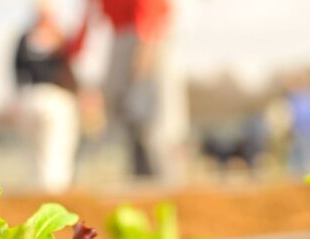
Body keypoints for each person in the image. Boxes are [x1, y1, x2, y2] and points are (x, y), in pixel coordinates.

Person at [99, 0, 189, 181]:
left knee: (156, 128)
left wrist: (141, 69)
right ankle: (138, 182)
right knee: (127, 125)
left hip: (148, 42)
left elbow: (150, 21)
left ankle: (167, 184)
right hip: (123, 37)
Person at [15, 0, 88, 193]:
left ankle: (41, 193)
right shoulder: (58, 37)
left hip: (31, 99)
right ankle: (55, 196)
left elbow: (17, 74)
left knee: (38, 155)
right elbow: (76, 51)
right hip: (56, 100)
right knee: (58, 151)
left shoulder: (24, 39)